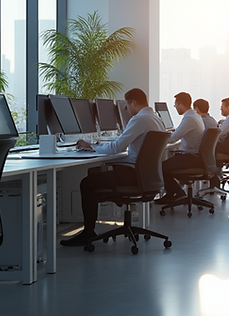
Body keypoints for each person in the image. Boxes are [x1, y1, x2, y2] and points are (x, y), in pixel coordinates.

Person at [60, 88, 166, 247]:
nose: (127, 110)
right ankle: (101, 214)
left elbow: (117, 147)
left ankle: (88, 232)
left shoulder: (139, 119)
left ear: (133, 103)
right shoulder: (157, 120)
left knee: (87, 183)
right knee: (97, 174)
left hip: (133, 176)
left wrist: (92, 148)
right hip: (148, 177)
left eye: (127, 106)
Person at [158, 92, 207, 200]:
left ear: (181, 104)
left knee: (159, 167)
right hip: (195, 156)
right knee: (166, 163)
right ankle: (175, 193)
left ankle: (176, 193)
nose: (175, 107)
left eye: (175, 105)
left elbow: (172, 139)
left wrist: (157, 137)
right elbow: (179, 133)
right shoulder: (194, 115)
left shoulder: (189, 118)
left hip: (191, 157)